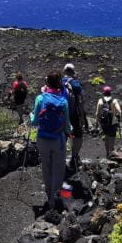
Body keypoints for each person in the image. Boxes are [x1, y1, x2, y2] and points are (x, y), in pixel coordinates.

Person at [30, 71, 72, 211]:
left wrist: (31, 116)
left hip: (42, 139)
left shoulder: (40, 99)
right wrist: (70, 131)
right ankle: (56, 196)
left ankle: (49, 197)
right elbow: (67, 126)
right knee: (58, 169)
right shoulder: (64, 101)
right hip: (58, 140)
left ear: (47, 82)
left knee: (46, 167)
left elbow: (35, 122)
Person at [62, 63, 88, 170]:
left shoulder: (58, 81)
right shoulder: (75, 84)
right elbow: (80, 101)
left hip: (60, 115)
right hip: (73, 116)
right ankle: (74, 157)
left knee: (63, 136)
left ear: (64, 71)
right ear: (73, 72)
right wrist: (83, 118)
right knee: (78, 136)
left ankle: (60, 159)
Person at [95, 85, 122, 158]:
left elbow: (97, 113)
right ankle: (111, 152)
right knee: (112, 137)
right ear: (110, 92)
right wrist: (117, 117)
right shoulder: (114, 100)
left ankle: (107, 153)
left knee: (106, 137)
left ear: (103, 93)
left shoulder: (100, 101)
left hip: (103, 123)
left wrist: (97, 123)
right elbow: (119, 111)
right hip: (112, 122)